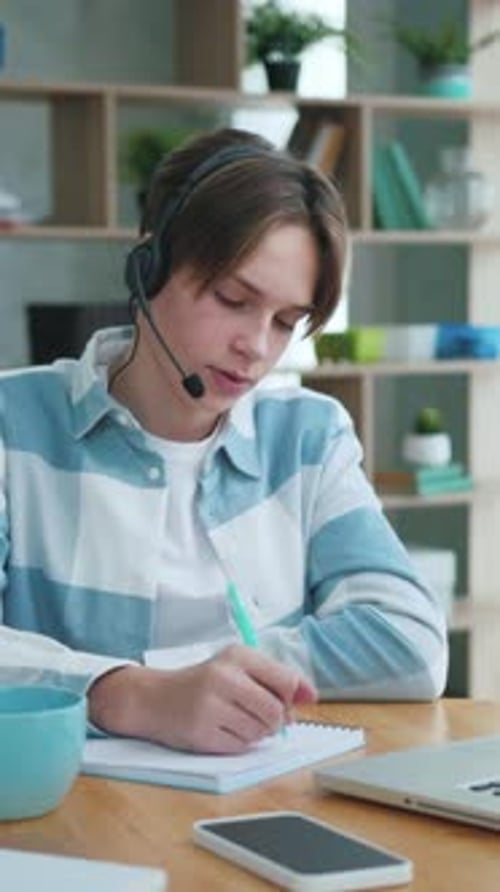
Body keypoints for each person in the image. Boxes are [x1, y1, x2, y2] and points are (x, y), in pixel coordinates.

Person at [0, 127, 448, 754]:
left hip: (258, 801)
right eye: (234, 299)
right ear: (149, 265)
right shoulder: (12, 425)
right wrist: (136, 693)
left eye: (287, 322)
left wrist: (213, 678)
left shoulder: (307, 438)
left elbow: (410, 642)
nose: (257, 347)